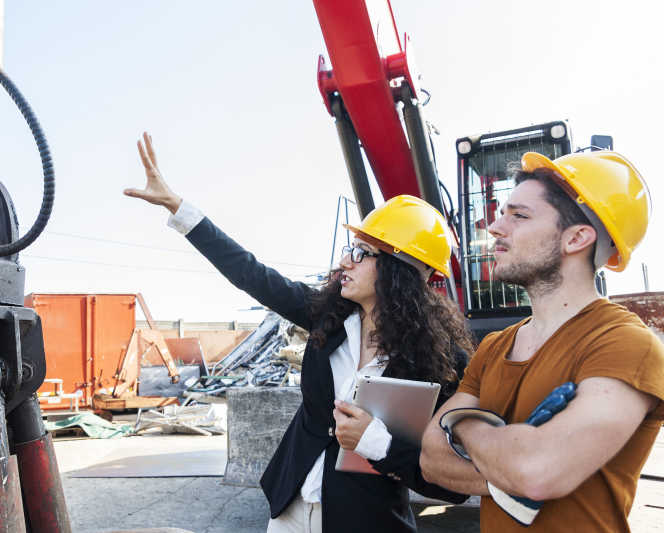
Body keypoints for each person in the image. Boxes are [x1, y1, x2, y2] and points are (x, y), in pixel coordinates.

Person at [124, 132, 473, 533]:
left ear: (400, 272)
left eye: (361, 253)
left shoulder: (442, 364)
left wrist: (377, 443)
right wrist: (178, 208)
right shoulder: (329, 318)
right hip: (290, 510)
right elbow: (250, 273)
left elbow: (453, 485)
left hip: (363, 522)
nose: (345, 260)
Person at [419, 150, 664, 532]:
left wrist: (463, 422)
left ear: (577, 238)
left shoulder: (626, 344)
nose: (496, 227)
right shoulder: (495, 346)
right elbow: (431, 459)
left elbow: (537, 473)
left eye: (519, 215)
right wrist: (508, 476)